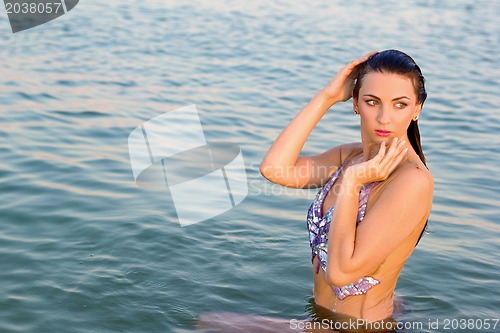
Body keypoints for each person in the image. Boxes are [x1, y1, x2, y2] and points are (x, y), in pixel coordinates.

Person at [260, 49, 434, 324]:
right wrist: (326, 98)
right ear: (355, 103)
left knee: (211, 323)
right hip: (322, 317)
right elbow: (274, 170)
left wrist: (353, 180)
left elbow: (341, 274)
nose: (384, 118)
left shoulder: (411, 180)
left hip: (358, 328)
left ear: (416, 109)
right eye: (372, 101)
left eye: (400, 104)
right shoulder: (350, 157)